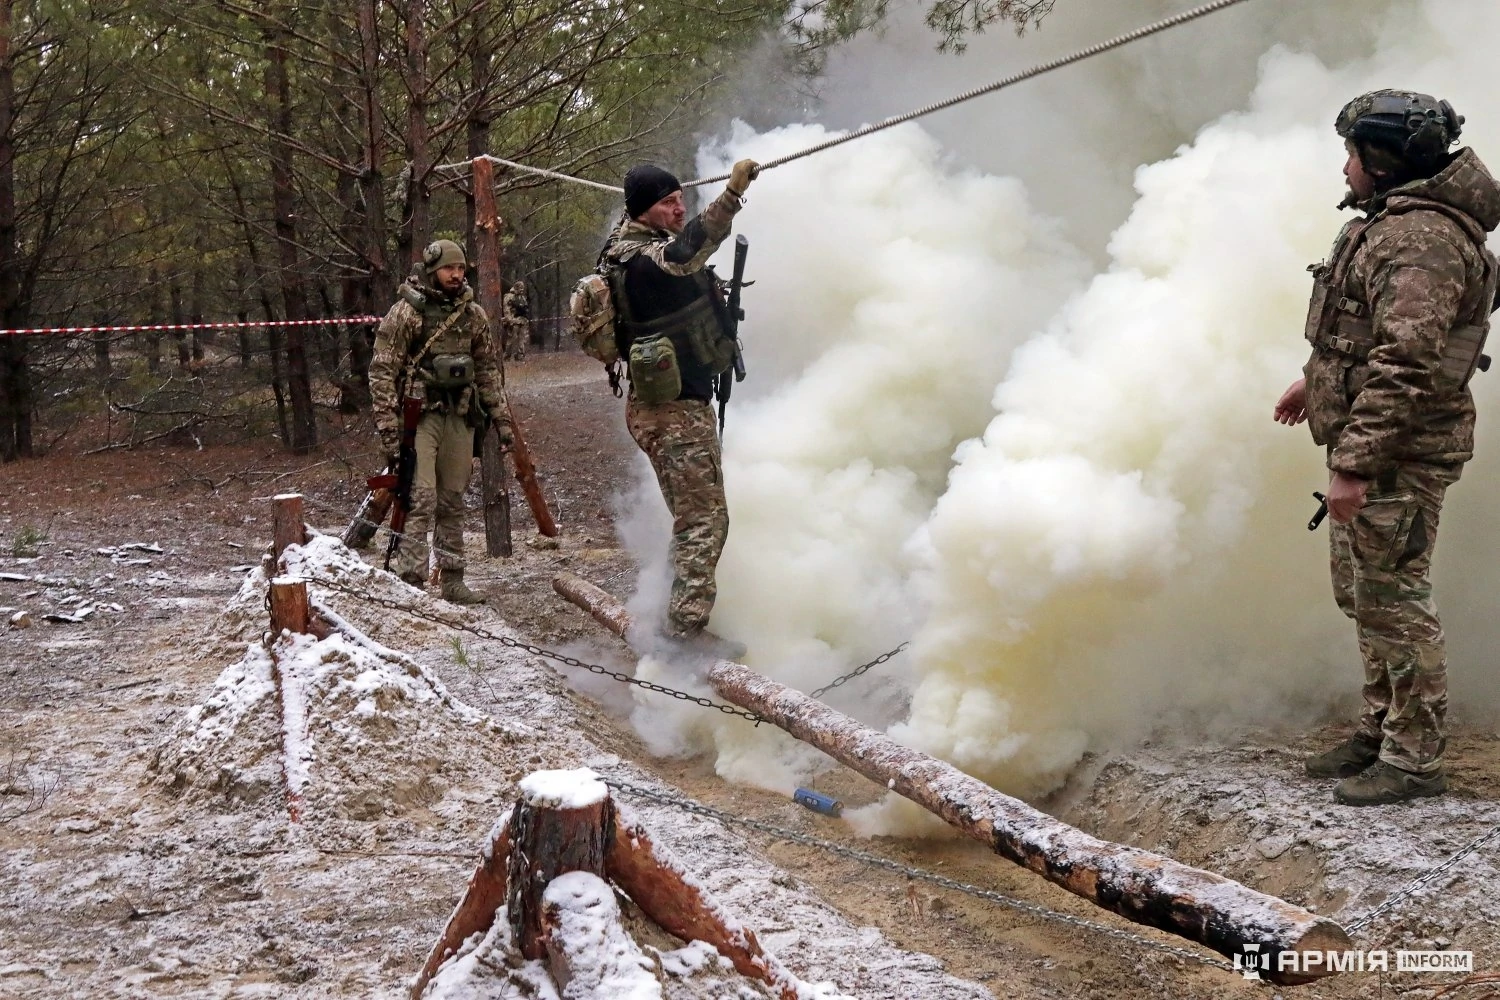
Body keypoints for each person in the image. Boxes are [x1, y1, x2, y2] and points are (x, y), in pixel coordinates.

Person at [1274, 90, 1499, 805]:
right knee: (1366, 596)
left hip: (1400, 451)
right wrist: (1313, 380)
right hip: (1377, 442)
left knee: (1395, 600)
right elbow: (1367, 333)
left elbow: (1407, 364)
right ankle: (1381, 728)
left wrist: (1353, 465)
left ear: (1381, 160)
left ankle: (1415, 757)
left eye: (1351, 154)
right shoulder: (1393, 226)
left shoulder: (1419, 239)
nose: (1344, 168)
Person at [599, 159, 759, 657]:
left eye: (680, 199)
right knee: (706, 520)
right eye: (669, 201)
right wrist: (731, 194)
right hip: (671, 412)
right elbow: (690, 249)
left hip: (672, 406)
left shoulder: (630, 249)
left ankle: (673, 614)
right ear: (647, 209)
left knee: (693, 517)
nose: (679, 206)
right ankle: (683, 638)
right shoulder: (645, 260)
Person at [369, 239, 512, 605]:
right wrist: (389, 428)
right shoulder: (407, 313)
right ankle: (411, 580)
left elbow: (487, 370)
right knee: (421, 497)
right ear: (433, 270)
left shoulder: (472, 314)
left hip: (460, 415)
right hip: (419, 417)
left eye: (461, 268)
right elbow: (383, 372)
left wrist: (501, 420)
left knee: (452, 498)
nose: (456, 275)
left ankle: (452, 579)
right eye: (450, 268)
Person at [503, 280, 531, 361]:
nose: (522, 290)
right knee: (512, 340)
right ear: (516, 288)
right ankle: (507, 356)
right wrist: (510, 321)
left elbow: (525, 307)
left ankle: (520, 356)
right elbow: (506, 310)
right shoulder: (509, 296)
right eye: (520, 288)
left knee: (522, 339)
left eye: (523, 288)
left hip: (523, 320)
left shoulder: (522, 297)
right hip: (514, 320)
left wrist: (526, 317)